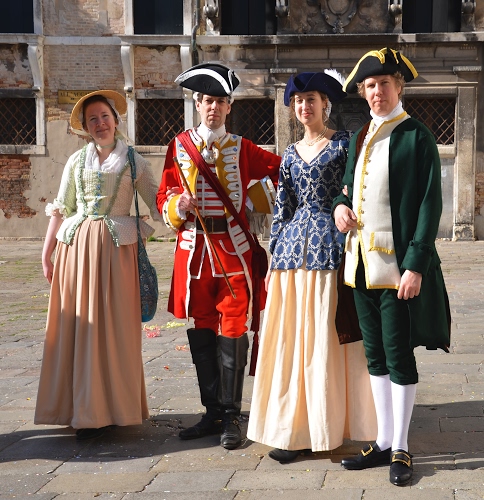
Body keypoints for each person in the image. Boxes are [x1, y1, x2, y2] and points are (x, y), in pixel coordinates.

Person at [332, 48, 451, 486]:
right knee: (375, 355)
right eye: (370, 85)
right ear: (363, 92)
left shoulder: (417, 136)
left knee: (399, 355)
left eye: (384, 83)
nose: (377, 91)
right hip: (360, 266)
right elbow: (347, 187)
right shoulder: (360, 135)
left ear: (399, 87)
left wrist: (415, 265)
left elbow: (429, 205)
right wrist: (339, 207)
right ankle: (382, 440)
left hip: (397, 268)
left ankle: (401, 446)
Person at [247, 71, 377, 463]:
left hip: (330, 251)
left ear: (325, 105)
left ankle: (329, 425)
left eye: (312, 100)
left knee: (325, 338)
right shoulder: (289, 154)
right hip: (290, 257)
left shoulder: (344, 144)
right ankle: (295, 428)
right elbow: (283, 207)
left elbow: (357, 190)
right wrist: (273, 256)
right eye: (298, 101)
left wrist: (344, 208)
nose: (305, 107)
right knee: (294, 341)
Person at [156, 63, 281, 450]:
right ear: (197, 103)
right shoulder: (179, 146)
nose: (213, 107)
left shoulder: (243, 148)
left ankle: (231, 414)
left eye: (220, 101)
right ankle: (211, 411)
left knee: (233, 327)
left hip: (233, 250)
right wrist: (178, 204)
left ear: (229, 106)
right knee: (203, 326)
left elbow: (283, 171)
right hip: (194, 252)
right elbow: (164, 195)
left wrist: (262, 202)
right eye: (207, 100)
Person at [35, 90, 161, 440]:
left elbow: (158, 200)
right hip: (76, 253)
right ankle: (85, 411)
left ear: (116, 120)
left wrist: (182, 207)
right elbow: (62, 208)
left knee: (116, 331)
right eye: (93, 119)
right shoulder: (76, 161)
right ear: (86, 127)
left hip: (118, 253)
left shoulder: (135, 161)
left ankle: (114, 409)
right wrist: (46, 253)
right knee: (81, 329)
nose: (100, 123)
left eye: (105, 116)